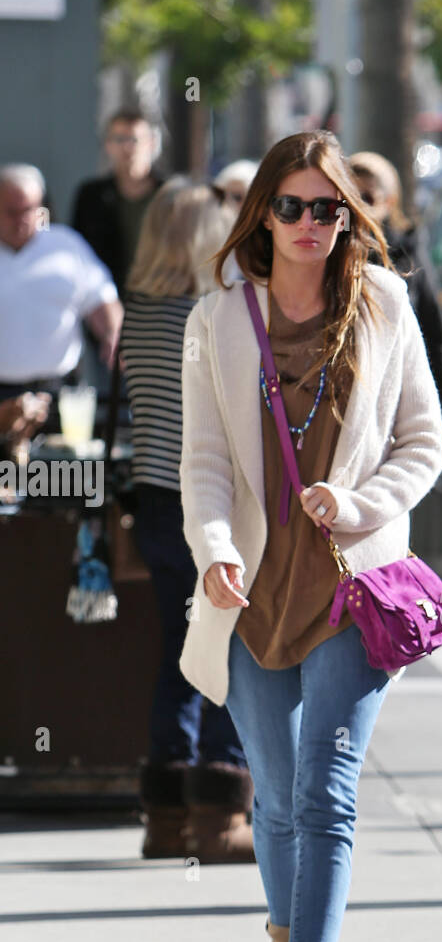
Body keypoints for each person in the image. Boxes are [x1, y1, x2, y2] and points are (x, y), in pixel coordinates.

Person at [179, 130, 442, 942]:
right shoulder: (218, 320)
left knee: (327, 794)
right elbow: (206, 466)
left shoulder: (383, 304)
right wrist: (215, 552)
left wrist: (360, 502)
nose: (306, 223)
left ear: (348, 218)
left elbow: (425, 443)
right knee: (280, 801)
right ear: (262, 213)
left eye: (325, 208)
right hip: (252, 592)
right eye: (289, 206)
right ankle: (290, 941)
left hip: (353, 584)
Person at [120, 177, 254, 862]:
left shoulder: (137, 313)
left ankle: (165, 817)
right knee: (227, 651)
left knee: (180, 653)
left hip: (149, 499)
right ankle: (219, 812)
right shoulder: (210, 313)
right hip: (204, 503)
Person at [0, 164, 121, 431]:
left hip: (58, 394)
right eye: (11, 211)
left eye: (29, 210)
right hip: (2, 398)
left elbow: (101, 298)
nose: (21, 219)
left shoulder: (66, 246)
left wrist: (112, 333)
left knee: (59, 472)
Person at [348, 150, 442, 415]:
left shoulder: (407, 250)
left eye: (367, 197)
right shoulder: (329, 247)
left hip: (398, 391)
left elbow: (434, 325)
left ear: (389, 201)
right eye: (349, 197)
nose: (359, 207)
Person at [71, 108, 165, 295]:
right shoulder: (91, 196)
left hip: (160, 299)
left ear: (152, 143)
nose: (127, 148)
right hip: (105, 298)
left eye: (135, 140)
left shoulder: (170, 194)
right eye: (119, 139)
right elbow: (77, 249)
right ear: (108, 144)